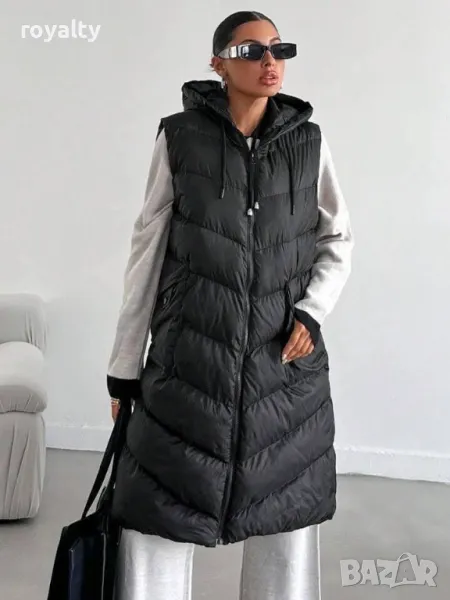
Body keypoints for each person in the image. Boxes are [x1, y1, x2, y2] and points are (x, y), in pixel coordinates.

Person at [107, 10, 354, 600]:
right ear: (217, 63)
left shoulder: (309, 142)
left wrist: (312, 311)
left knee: (287, 517)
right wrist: (123, 369)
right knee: (158, 513)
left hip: (283, 369)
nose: (270, 62)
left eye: (279, 49)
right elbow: (148, 250)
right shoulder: (179, 137)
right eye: (251, 51)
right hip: (187, 363)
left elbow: (338, 239)